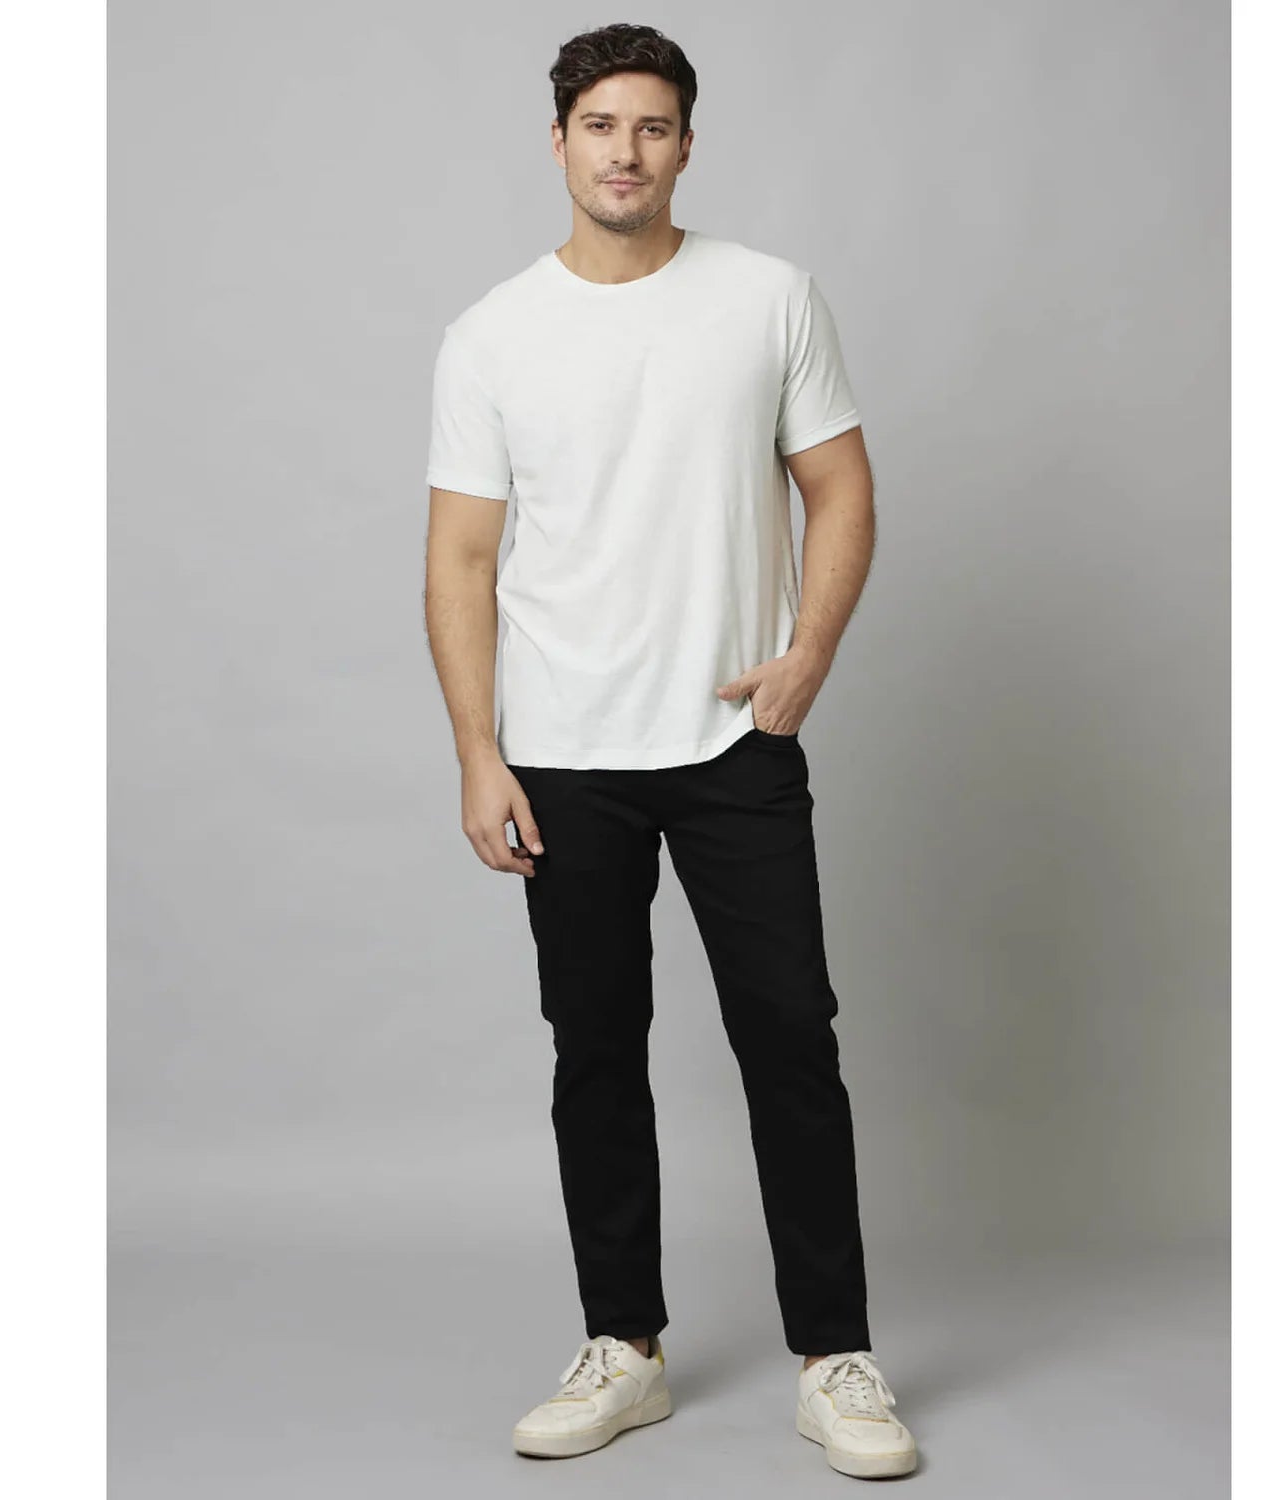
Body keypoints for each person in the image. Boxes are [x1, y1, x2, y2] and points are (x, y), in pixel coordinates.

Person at [423, 22, 917, 1480]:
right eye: (600, 126)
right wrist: (478, 752)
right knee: (595, 1052)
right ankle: (622, 1347)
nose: (625, 152)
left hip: (731, 739)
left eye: (651, 127)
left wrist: (808, 653)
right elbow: (461, 560)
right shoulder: (492, 334)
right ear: (559, 143)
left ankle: (835, 1359)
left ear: (687, 146)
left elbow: (840, 486)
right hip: (561, 755)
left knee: (791, 1043)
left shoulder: (769, 298)